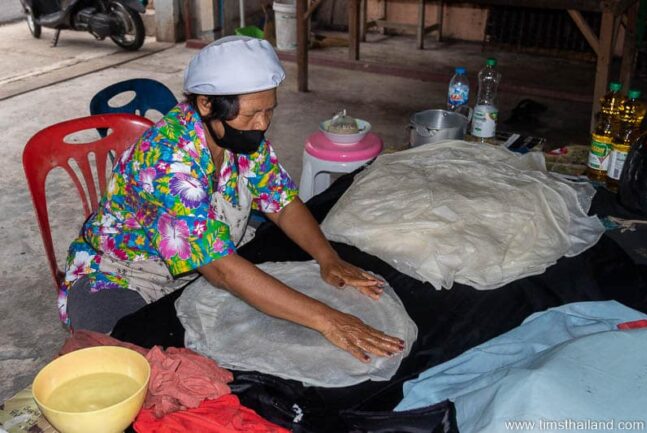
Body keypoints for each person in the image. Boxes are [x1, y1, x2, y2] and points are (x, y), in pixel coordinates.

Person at [60, 36, 404, 362]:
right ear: (205, 103)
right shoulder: (167, 160)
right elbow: (222, 270)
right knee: (122, 363)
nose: (262, 124)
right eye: (251, 114)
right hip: (122, 274)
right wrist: (329, 320)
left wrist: (327, 257)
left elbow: (280, 201)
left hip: (198, 267)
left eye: (269, 111)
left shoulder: (241, 138)